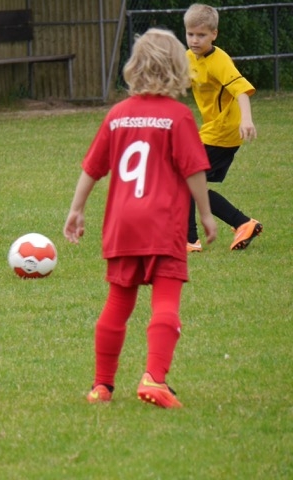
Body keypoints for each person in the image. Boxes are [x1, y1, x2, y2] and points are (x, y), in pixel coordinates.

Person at [63, 28, 217, 409]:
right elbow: (194, 170)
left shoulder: (117, 115)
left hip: (122, 225)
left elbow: (92, 167)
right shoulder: (178, 117)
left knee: (117, 304)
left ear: (135, 66)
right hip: (162, 224)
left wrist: (76, 209)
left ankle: (102, 386)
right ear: (178, 68)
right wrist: (206, 214)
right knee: (166, 301)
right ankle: (154, 378)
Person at [184, 3, 262, 253]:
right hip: (212, 130)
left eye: (201, 35)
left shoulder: (220, 61)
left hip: (224, 131)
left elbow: (241, 90)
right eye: (190, 34)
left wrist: (246, 119)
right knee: (189, 181)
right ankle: (242, 223)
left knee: (185, 179)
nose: (195, 40)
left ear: (214, 34)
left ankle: (189, 239)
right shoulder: (189, 57)